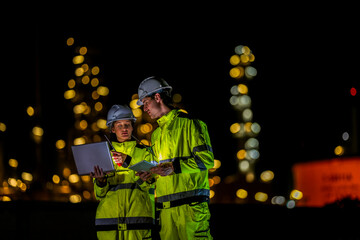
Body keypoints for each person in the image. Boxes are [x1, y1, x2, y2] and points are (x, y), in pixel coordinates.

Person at [117, 76, 214, 239]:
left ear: (157, 97)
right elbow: (160, 171)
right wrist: (149, 175)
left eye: (146, 102)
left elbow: (206, 160)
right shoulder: (156, 135)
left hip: (191, 210)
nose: (144, 109)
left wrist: (173, 167)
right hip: (165, 212)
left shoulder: (191, 124)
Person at [90, 104, 155, 240]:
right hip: (109, 224)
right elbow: (99, 194)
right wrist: (101, 181)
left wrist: (140, 176)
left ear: (132, 127)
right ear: (112, 129)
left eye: (127, 124)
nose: (124, 129)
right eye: (119, 125)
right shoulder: (103, 154)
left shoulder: (145, 153)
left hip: (138, 223)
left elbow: (151, 185)